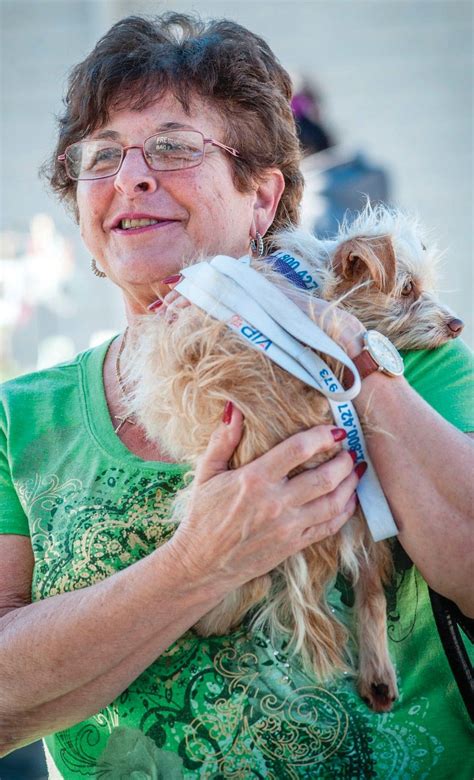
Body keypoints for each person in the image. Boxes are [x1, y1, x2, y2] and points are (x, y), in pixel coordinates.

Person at [0, 13, 472, 779]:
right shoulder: (20, 420)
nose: (131, 178)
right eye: (102, 157)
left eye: (174, 148)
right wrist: (197, 565)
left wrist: (344, 354)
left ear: (261, 195)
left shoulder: (403, 357)